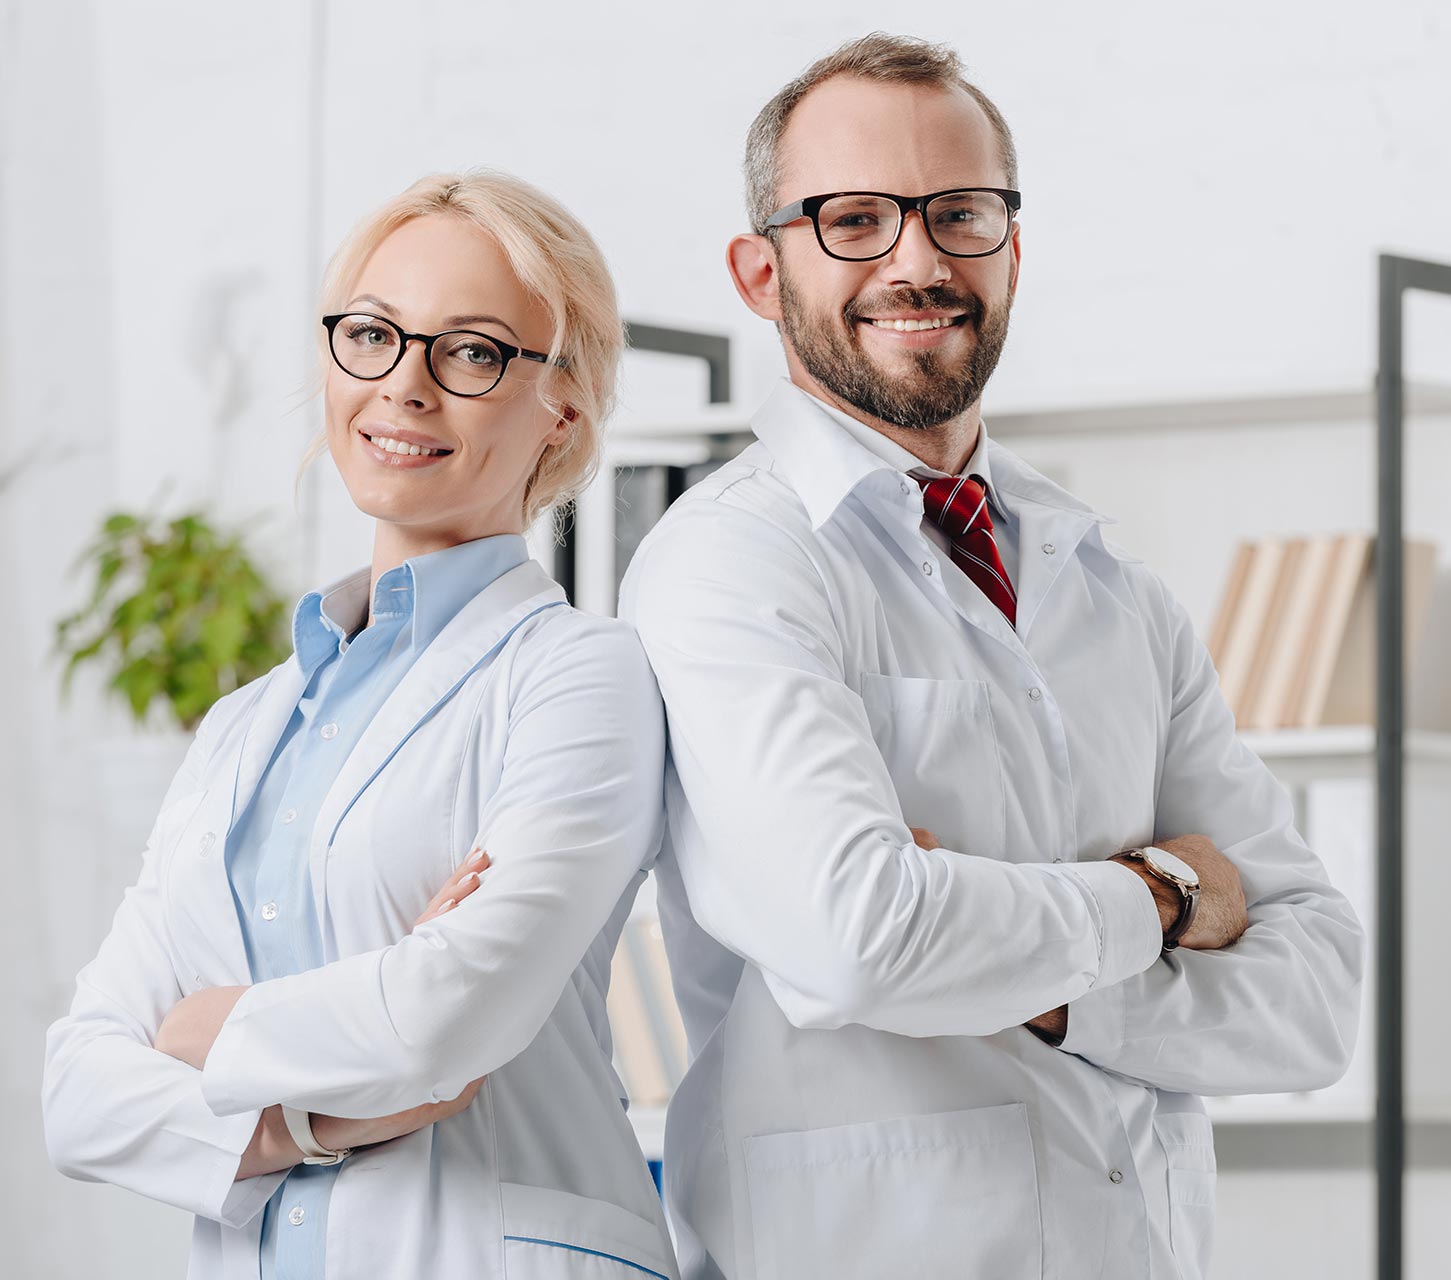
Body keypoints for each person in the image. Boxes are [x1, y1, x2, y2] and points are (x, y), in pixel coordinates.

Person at [619, 33, 1363, 1280]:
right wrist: (1163, 894)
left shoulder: (1114, 587)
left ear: (1011, 250)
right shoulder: (730, 566)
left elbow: (1316, 999)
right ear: (759, 272)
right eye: (852, 218)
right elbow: (863, 934)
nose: (915, 260)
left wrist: (1045, 984)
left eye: (957, 213)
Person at [44, 171, 678, 1280]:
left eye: (471, 351)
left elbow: (445, 1019)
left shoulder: (580, 674)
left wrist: (202, 1029)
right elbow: (76, 1093)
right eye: (372, 336)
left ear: (562, 404)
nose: (405, 386)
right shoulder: (244, 726)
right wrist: (311, 1123)